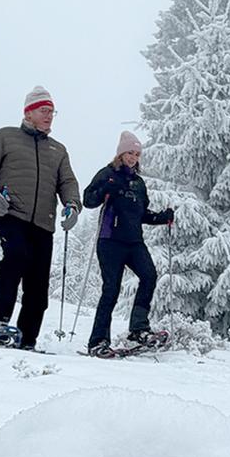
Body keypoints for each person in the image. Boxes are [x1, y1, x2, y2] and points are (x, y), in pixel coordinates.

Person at [0, 85, 80, 351]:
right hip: (11, 213)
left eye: (53, 112)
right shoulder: (6, 137)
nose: (49, 116)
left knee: (38, 281)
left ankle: (27, 338)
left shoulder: (58, 149)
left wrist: (73, 206)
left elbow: (67, 181)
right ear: (28, 112)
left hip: (44, 221)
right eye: (44, 111)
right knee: (16, 257)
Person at [82, 130, 174, 355]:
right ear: (120, 153)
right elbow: (88, 199)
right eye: (129, 153)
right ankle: (98, 341)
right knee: (111, 289)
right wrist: (106, 188)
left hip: (134, 241)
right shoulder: (108, 173)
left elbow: (141, 214)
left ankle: (138, 329)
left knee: (149, 276)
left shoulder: (138, 183)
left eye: (137, 154)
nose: (133, 157)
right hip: (110, 240)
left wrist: (161, 218)